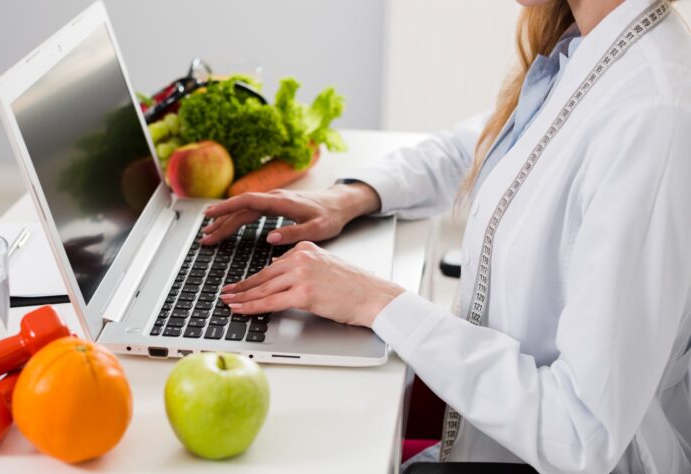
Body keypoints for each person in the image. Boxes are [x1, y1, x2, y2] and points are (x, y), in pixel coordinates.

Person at [203, 0, 691, 472]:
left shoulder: (651, 114)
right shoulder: (586, 46)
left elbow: (583, 433)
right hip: (489, 437)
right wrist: (350, 197)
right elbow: (477, 147)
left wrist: (378, 301)